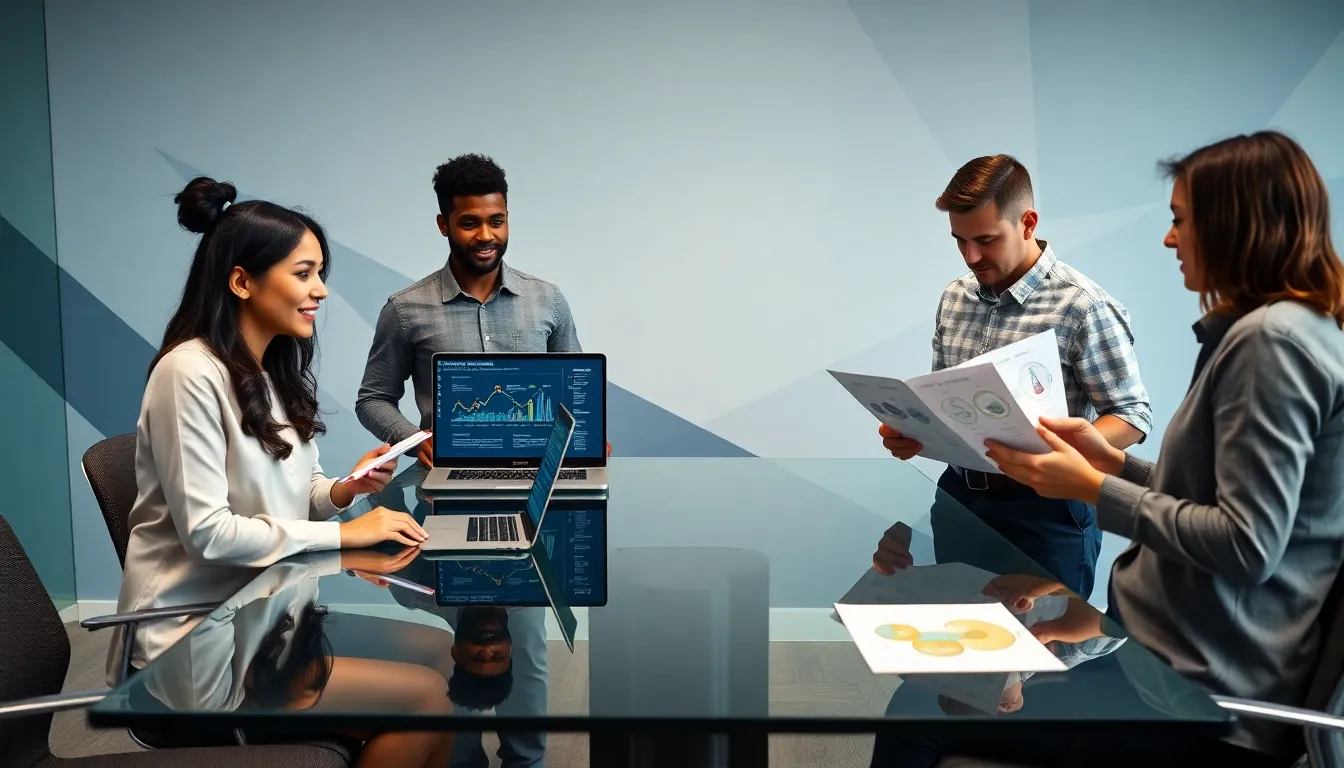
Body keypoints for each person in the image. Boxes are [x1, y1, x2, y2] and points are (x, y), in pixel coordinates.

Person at [985, 131, 1344, 765]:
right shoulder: (1288, 330)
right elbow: (1220, 497)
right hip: (1176, 655)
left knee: (935, 715)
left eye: (1180, 221)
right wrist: (1114, 461)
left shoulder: (1271, 345)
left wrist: (1093, 488)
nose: (1169, 239)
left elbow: (1246, 544)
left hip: (1203, 695)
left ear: (1236, 227)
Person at [113, 176, 429, 681]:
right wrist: (346, 538)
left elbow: (297, 495)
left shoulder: (271, 372)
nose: (320, 291)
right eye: (304, 273)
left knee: (433, 649)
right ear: (242, 282)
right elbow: (209, 537)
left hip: (268, 609)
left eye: (320, 273)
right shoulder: (189, 372)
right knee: (425, 691)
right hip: (195, 635)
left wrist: (346, 490)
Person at [880, 155, 1152, 599]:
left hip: (1048, 512)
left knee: (1043, 660)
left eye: (986, 240)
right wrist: (915, 433)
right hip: (958, 501)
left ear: (1027, 222)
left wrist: (1060, 448)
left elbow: (1132, 414)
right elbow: (945, 399)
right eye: (959, 241)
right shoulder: (954, 297)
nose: (971, 257)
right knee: (964, 649)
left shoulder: (1083, 306)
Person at [356, 153, 609, 466]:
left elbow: (575, 392)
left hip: (541, 472)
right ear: (443, 225)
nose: (487, 236)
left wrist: (588, 435)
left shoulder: (548, 299)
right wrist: (412, 439)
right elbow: (373, 398)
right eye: (469, 223)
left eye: (497, 221)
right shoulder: (405, 310)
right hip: (447, 471)